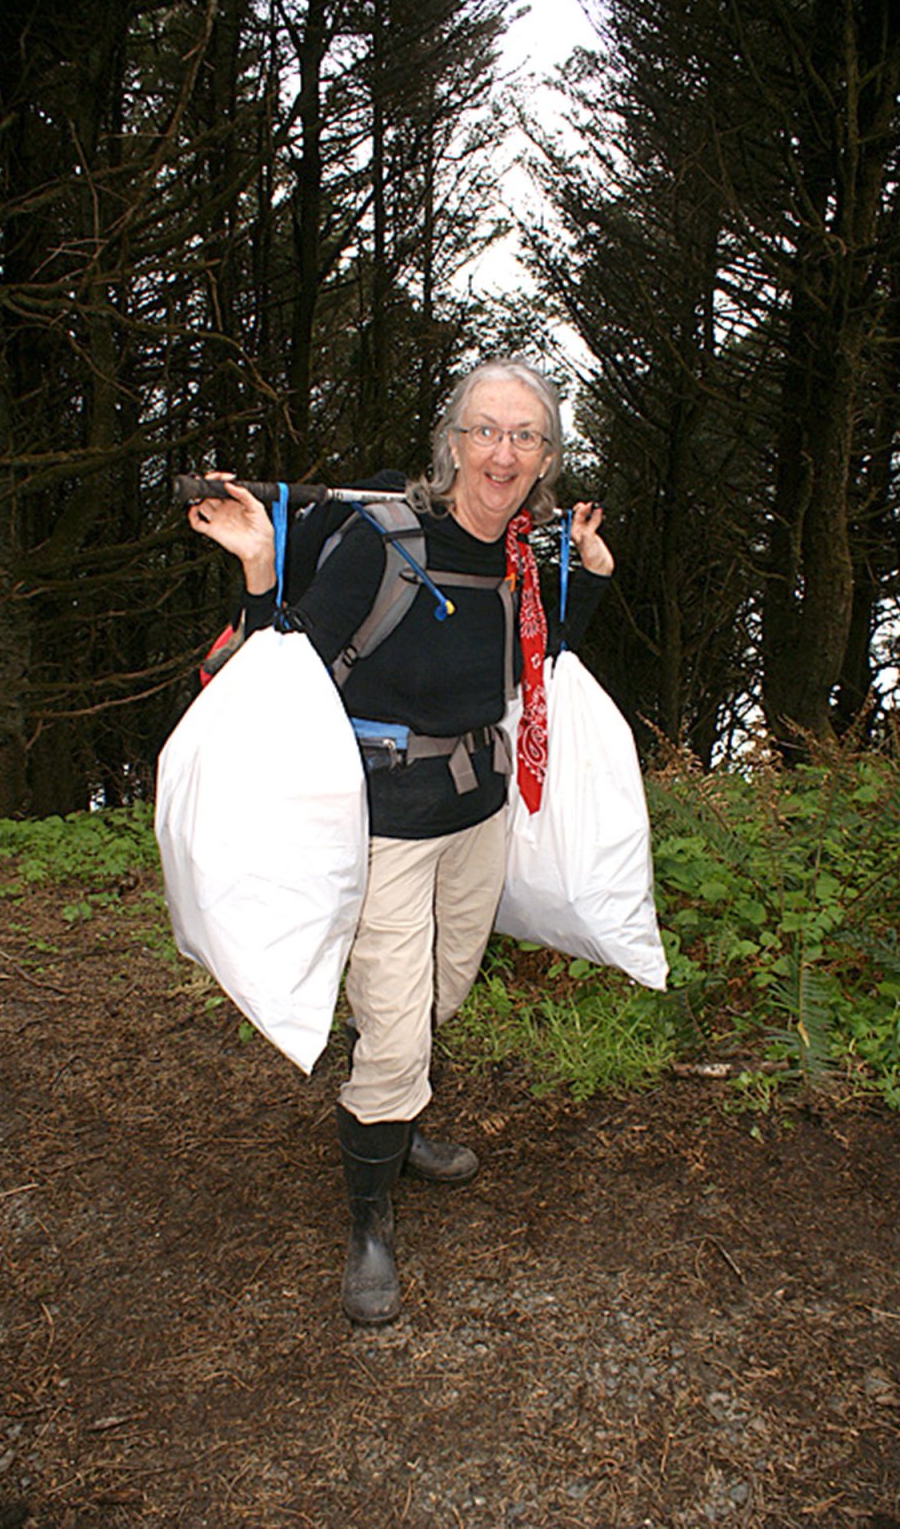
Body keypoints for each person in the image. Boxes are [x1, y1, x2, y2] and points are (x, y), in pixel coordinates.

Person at [187, 358, 614, 1325]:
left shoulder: (518, 558)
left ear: (545, 458)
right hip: (383, 824)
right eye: (486, 430)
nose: (503, 452)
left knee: (440, 990)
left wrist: (586, 580)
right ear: (453, 443)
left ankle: (398, 1095)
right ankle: (369, 1217)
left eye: (526, 437)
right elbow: (282, 663)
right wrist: (260, 567)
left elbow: (530, 664)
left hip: (478, 813)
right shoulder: (384, 541)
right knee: (395, 1021)